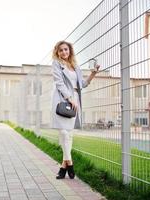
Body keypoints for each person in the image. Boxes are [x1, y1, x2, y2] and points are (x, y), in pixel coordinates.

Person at [51, 40, 100, 179]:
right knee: (63, 133)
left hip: (75, 100)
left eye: (66, 49)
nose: (63, 52)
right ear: (57, 52)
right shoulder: (57, 64)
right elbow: (59, 83)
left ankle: (63, 167)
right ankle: (70, 163)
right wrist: (69, 98)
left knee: (69, 134)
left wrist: (93, 74)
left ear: (70, 50)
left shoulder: (76, 67)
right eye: (60, 50)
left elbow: (82, 84)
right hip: (62, 99)